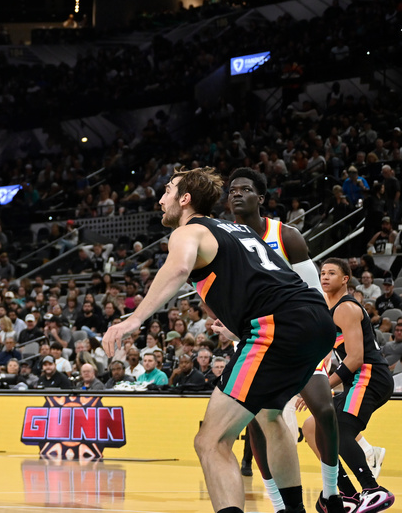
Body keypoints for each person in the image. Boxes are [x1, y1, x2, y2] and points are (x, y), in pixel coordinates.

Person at [103, 167, 336, 513]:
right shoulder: (238, 230)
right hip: (315, 321)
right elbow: (269, 280)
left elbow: (179, 269)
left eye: (167, 190)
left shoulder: (188, 231)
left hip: (277, 325)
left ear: (185, 199)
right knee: (270, 416)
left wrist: (134, 319)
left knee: (210, 441)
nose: (160, 198)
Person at [227, 168, 344, 512]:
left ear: (260, 198)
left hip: (298, 333)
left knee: (323, 408)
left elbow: (314, 292)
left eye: (245, 189)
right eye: (232, 190)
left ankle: (331, 492)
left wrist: (322, 339)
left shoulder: (287, 235)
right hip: (258, 336)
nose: (236, 194)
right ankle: (279, 503)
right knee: (258, 421)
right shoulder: (226, 239)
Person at [302, 259, 395, 513]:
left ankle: (372, 488)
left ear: (345, 279)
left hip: (370, 376)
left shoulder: (346, 309)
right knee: (312, 427)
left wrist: (324, 386)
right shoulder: (326, 308)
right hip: (357, 378)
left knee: (340, 428)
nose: (325, 277)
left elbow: (355, 358)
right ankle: (347, 492)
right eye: (322, 273)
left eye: (332, 273)